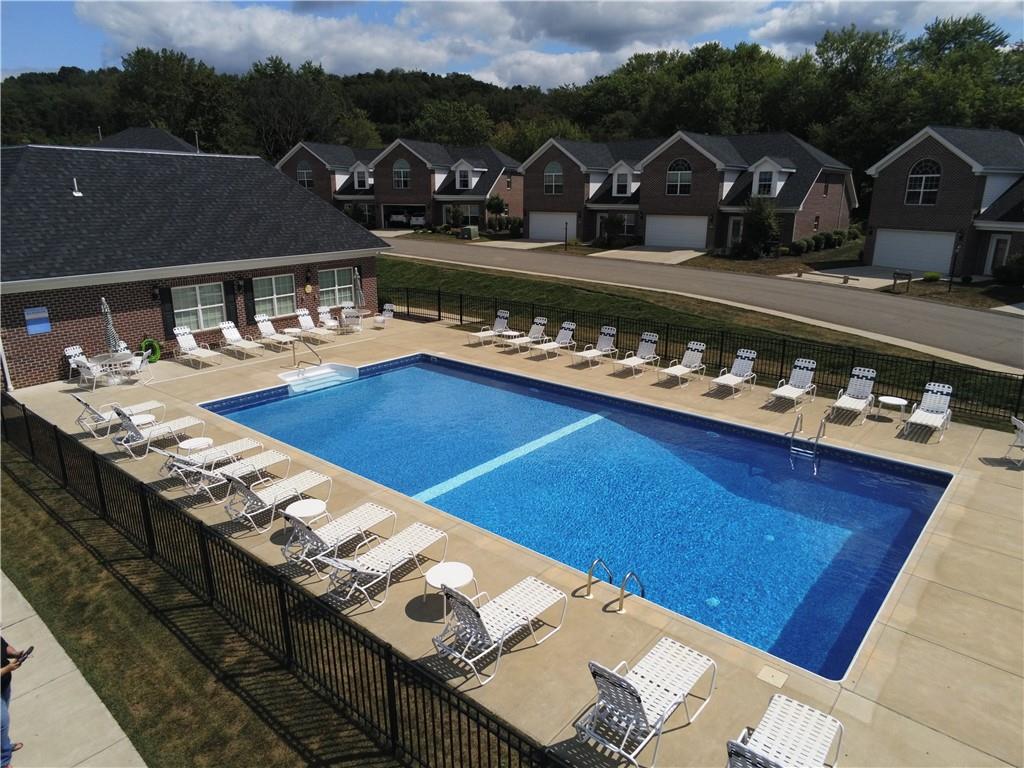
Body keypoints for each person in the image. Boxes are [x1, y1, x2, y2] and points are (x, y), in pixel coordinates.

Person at [1, 637, 24, 768]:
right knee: (2, 723)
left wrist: (15, 653)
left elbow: (3, 646)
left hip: (4, 686)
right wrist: (7, 668)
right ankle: (3, 762)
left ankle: (4, 746)